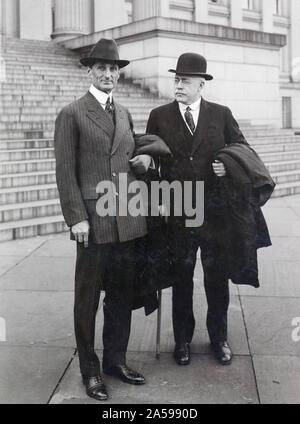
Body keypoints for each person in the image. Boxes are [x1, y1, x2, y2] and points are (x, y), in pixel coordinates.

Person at [54, 38, 155, 401]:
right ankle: (90, 370)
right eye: (102, 68)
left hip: (126, 218)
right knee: (88, 299)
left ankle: (115, 360)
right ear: (90, 71)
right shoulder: (72, 113)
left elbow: (129, 160)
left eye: (114, 69)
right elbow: (65, 171)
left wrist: (148, 163)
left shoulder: (125, 113)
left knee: (121, 295)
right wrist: (76, 218)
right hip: (94, 222)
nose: (109, 74)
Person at [146, 52, 250, 367]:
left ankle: (219, 338)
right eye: (176, 79)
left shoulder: (221, 115)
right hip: (178, 211)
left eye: (185, 81)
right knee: (182, 276)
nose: (178, 85)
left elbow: (241, 150)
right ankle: (182, 340)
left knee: (216, 278)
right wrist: (157, 195)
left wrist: (227, 168)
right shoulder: (159, 116)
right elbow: (149, 162)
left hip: (215, 212)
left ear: (201, 84)